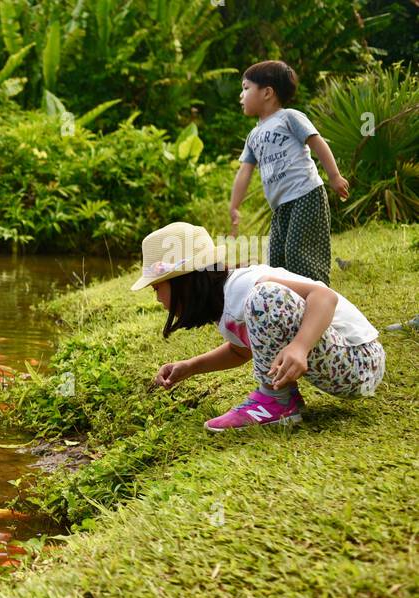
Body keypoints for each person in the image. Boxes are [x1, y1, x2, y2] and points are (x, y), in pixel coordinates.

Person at [130, 223, 384, 431]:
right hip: (348, 365)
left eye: (157, 288)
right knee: (260, 301)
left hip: (359, 360)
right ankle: (285, 398)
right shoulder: (227, 301)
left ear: (183, 281)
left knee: (265, 297)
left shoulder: (244, 286)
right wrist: (189, 367)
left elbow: (324, 297)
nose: (157, 298)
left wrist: (300, 346)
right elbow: (241, 350)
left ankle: (276, 402)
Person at [229, 60, 348, 286]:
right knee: (277, 260)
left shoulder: (289, 117)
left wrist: (334, 176)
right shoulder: (253, 136)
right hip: (280, 206)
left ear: (267, 92)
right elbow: (245, 171)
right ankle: (293, 305)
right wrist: (234, 205)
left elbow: (317, 142)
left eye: (245, 88)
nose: (241, 95)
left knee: (299, 254)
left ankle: (318, 297)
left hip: (306, 194)